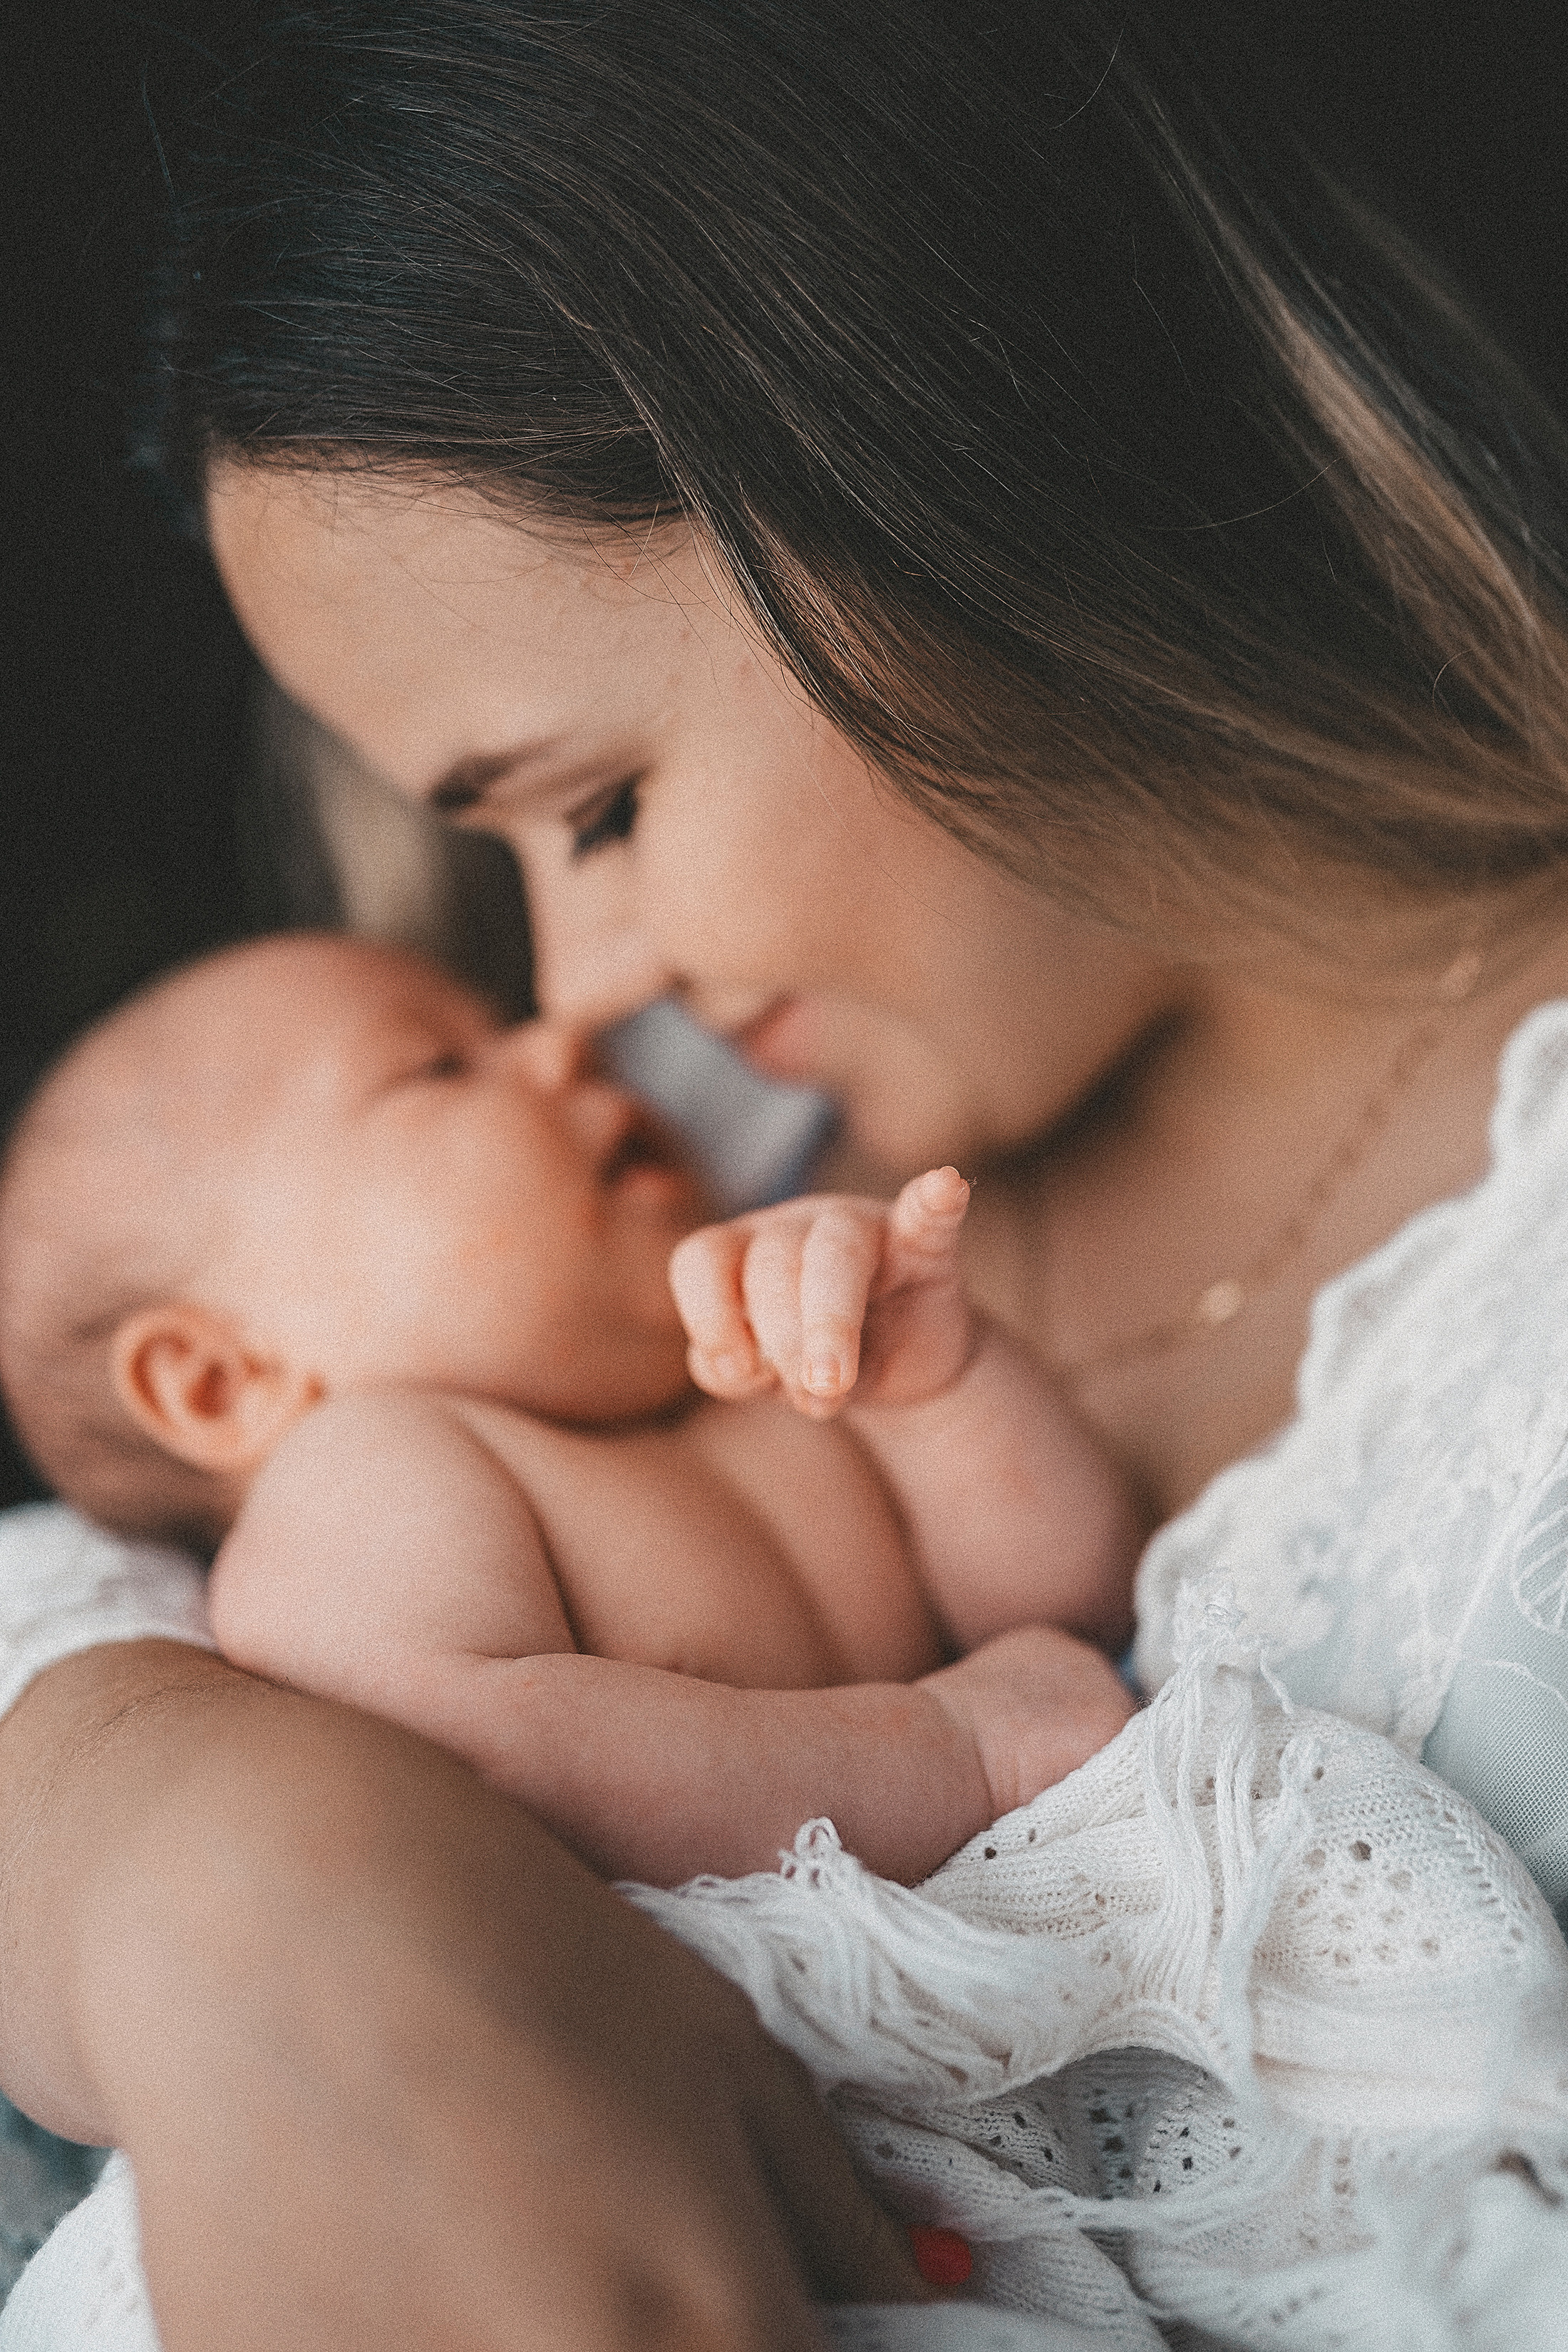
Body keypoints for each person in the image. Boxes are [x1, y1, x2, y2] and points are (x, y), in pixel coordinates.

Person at [4, 0, 1568, 2342]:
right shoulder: (697, 1191)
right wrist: (261, 1889)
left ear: (948, 468)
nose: (585, 989)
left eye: (602, 807)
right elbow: (122, 1630)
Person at [0, 930, 1137, 1887]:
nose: (560, 1041)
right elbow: (475, 1770)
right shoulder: (373, 1465)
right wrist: (952, 1753)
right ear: (221, 1380)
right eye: (439, 1067)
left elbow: (1061, 1623)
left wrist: (937, 1392)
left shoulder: (748, 1356)